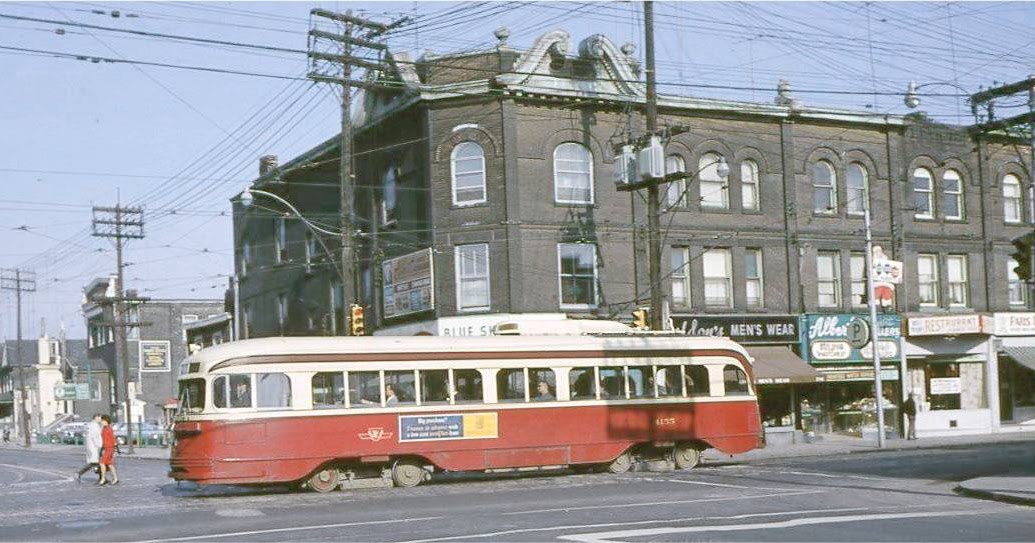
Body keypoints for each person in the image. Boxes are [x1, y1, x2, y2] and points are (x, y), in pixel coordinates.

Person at [75, 414, 103, 482]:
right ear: (96, 417)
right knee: (97, 463)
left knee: (95, 463)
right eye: (100, 418)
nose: (101, 419)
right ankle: (101, 477)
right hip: (95, 447)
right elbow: (95, 437)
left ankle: (101, 477)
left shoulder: (89, 425)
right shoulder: (95, 426)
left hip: (90, 446)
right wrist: (99, 446)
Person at [98, 415, 119, 486]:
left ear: (106, 421)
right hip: (106, 448)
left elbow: (113, 439)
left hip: (109, 448)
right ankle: (115, 478)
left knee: (102, 463)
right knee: (110, 465)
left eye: (102, 420)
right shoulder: (104, 428)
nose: (101, 422)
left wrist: (115, 449)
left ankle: (103, 479)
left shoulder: (109, 429)